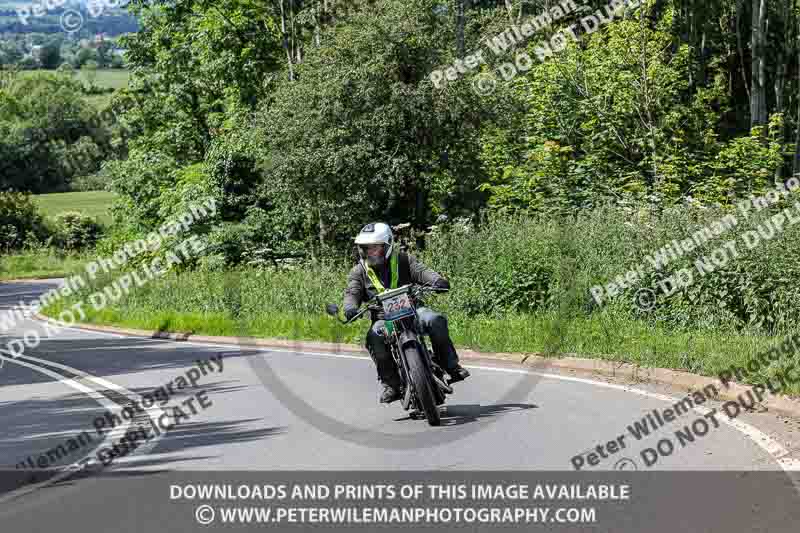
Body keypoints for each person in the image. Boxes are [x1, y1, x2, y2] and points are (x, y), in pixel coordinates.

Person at [343, 222, 470, 403]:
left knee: (435, 319)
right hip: (384, 319)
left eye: (375, 248)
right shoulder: (358, 271)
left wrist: (437, 281)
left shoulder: (403, 260)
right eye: (366, 248)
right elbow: (352, 292)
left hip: (413, 311)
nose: (370, 252)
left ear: (387, 245)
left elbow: (423, 272)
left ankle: (450, 365)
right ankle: (391, 385)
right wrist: (350, 307)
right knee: (374, 337)